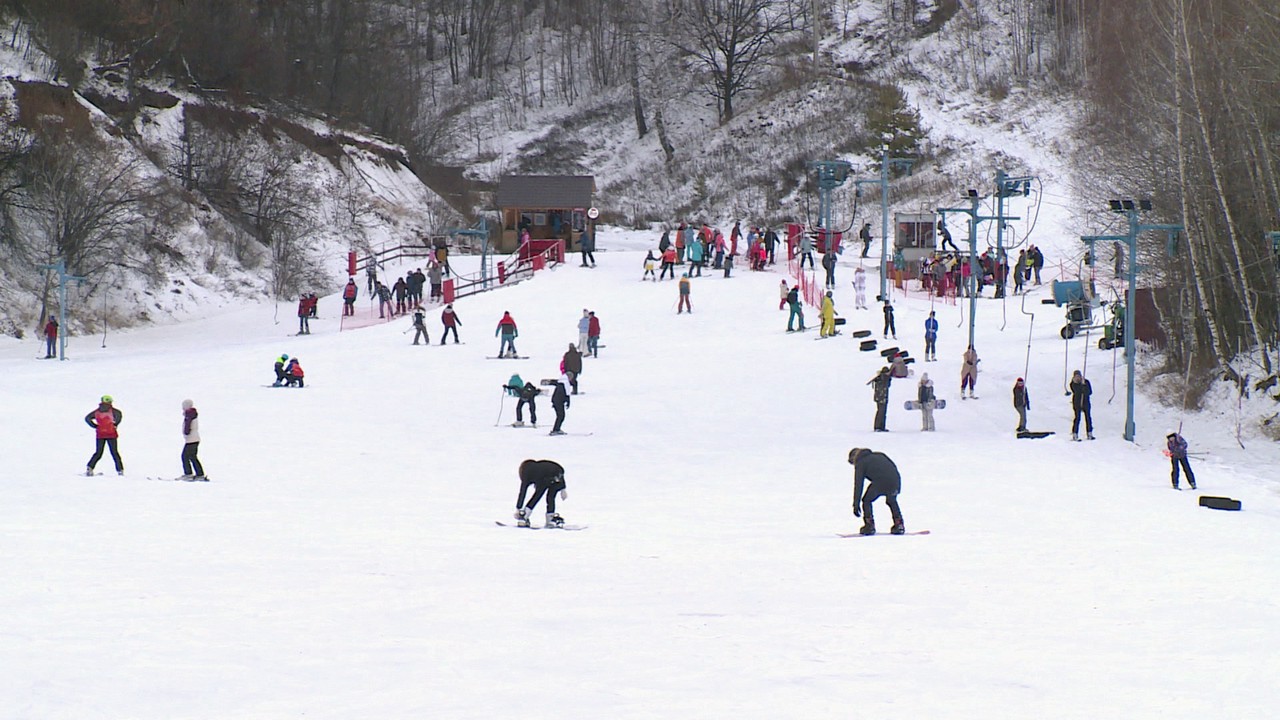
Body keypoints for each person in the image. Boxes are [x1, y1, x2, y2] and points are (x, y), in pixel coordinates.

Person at [848, 447, 905, 535]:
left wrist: (856, 504)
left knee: (866, 500)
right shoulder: (879, 454)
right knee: (892, 501)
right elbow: (892, 467)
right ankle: (899, 524)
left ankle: (869, 526)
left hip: (881, 482)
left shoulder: (861, 462)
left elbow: (858, 484)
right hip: (895, 480)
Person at [512, 459, 568, 528]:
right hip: (552, 474)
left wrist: (518, 508)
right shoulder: (532, 471)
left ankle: (525, 516)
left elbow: (522, 492)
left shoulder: (527, 475)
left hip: (554, 475)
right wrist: (563, 487)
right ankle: (550, 518)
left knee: (541, 496)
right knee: (550, 497)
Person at [85, 395, 124, 476]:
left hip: (100, 434)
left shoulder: (96, 411)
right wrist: (115, 424)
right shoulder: (114, 411)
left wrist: (95, 426)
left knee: (98, 453)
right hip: (111, 434)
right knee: (114, 453)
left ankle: (90, 467)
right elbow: (119, 416)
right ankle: (120, 470)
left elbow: (87, 418)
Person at [180, 399, 206, 481]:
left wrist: (186, 433)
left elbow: (188, 427)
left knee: (185, 456)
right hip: (193, 439)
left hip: (191, 440)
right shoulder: (191, 414)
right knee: (192, 457)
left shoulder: (189, 415)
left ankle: (189, 474)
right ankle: (199, 474)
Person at [1070, 370, 1094, 441]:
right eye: (1076, 376)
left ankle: (1089, 433)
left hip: (1085, 402)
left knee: (1088, 418)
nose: (1078, 378)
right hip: (1077, 403)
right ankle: (1075, 434)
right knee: (1077, 418)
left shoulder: (1086, 382)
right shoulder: (1073, 384)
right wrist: (1081, 387)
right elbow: (1076, 391)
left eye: (1079, 376)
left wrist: (1084, 386)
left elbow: (1089, 392)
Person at [868, 366, 892, 432]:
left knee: (883, 412)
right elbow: (885, 386)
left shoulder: (882, 378)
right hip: (881, 397)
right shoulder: (883, 378)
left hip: (882, 397)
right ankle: (878, 427)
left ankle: (881, 426)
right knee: (881, 412)